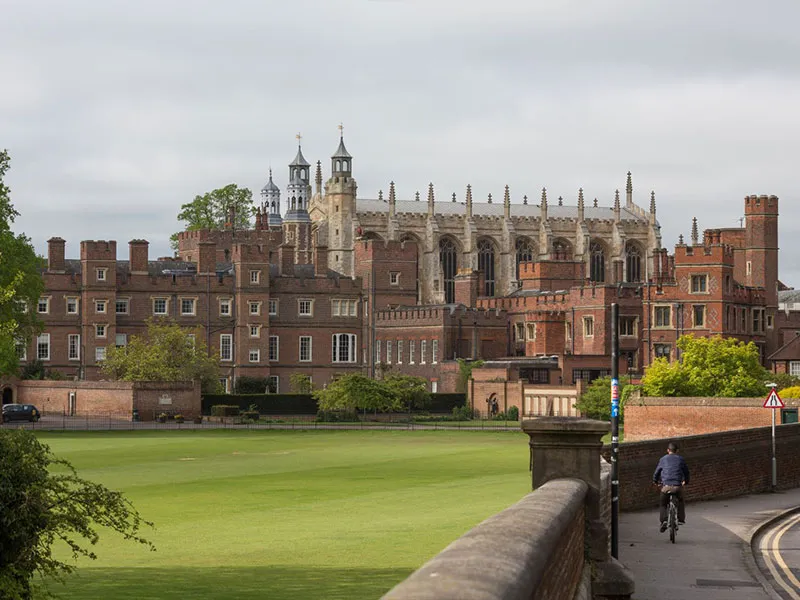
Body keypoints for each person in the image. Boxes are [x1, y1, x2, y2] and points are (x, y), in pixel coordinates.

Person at [652, 441, 689, 533]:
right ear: (677, 451)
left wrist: (655, 481)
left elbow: (657, 472)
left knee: (663, 504)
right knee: (681, 500)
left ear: (668, 450)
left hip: (666, 486)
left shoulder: (663, 459)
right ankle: (680, 519)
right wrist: (686, 481)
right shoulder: (681, 459)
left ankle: (664, 520)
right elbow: (686, 472)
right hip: (677, 486)